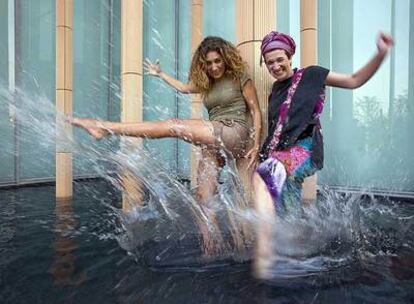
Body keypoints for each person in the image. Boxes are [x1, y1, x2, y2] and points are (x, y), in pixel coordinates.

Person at [70, 36, 262, 251]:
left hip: (235, 131)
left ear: (225, 58)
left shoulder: (239, 76)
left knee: (174, 125)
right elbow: (182, 88)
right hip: (214, 140)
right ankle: (212, 249)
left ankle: (104, 127)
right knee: (203, 197)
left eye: (218, 61)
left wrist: (255, 145)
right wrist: (160, 74)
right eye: (208, 63)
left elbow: (255, 111)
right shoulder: (206, 84)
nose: (214, 67)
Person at [252, 31, 393, 278]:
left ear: (289, 55)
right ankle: (298, 264)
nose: (275, 66)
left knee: (264, 176)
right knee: (287, 219)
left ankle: (264, 255)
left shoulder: (312, 74)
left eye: (279, 59)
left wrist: (380, 54)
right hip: (281, 156)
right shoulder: (275, 90)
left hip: (306, 150)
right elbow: (277, 129)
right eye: (270, 62)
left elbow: (354, 79)